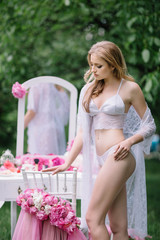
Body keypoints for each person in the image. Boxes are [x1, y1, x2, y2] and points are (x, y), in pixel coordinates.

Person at [43, 41, 156, 240]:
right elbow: (82, 133)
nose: (93, 70)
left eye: (99, 65)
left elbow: (149, 125)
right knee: (118, 226)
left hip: (119, 155)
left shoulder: (130, 88)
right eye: (91, 65)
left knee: (92, 218)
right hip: (103, 158)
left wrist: (129, 142)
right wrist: (67, 163)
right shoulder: (88, 90)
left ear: (113, 65)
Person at [24, 82, 70, 155]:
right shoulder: (54, 87)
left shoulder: (36, 85)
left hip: (41, 130)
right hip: (54, 128)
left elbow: (32, 112)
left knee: (40, 160)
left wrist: (20, 127)